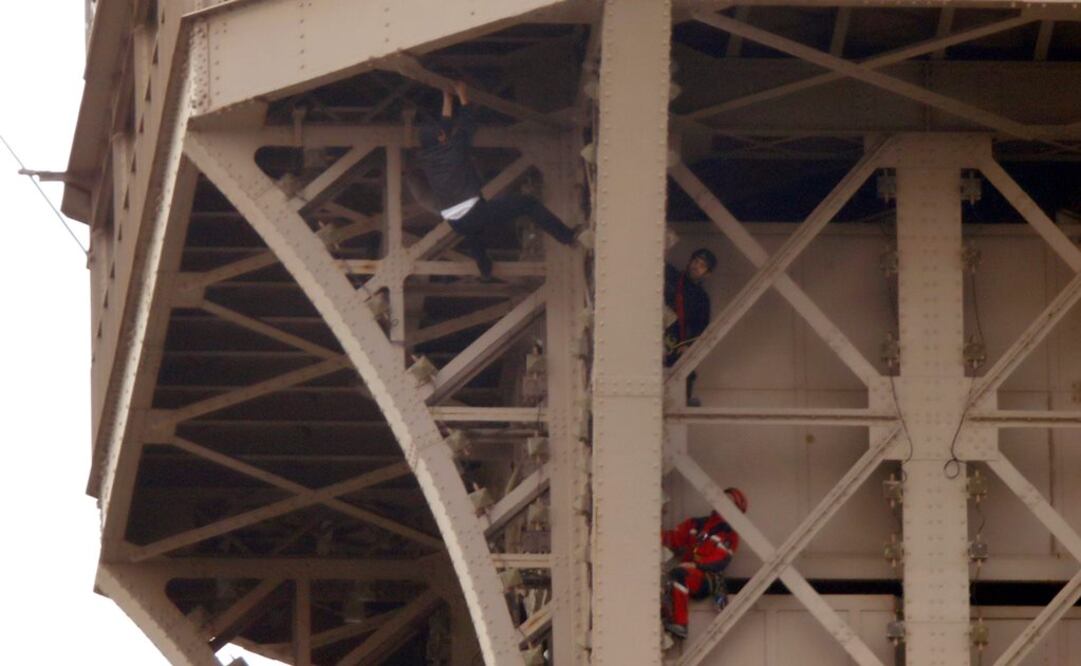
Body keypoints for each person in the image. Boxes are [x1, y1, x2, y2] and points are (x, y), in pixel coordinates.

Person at [415, 80, 580, 279]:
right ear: (441, 138)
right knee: (528, 204)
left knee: (473, 232)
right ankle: (568, 236)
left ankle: (485, 268)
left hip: (454, 221)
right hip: (473, 211)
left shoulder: (427, 158)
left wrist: (447, 97)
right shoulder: (455, 149)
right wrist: (463, 96)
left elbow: (445, 128)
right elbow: (468, 123)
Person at [661, 487, 747, 640]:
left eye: (728, 501)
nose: (721, 502)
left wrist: (696, 566)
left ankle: (680, 624)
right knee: (673, 578)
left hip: (706, 578)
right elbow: (673, 538)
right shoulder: (696, 524)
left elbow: (720, 561)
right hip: (689, 572)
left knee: (679, 575)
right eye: (721, 498)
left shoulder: (729, 534)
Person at [664, 248, 717, 405]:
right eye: (695, 262)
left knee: (683, 379)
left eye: (702, 266)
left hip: (676, 346)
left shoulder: (702, 299)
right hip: (655, 336)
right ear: (689, 262)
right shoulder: (671, 276)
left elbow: (701, 328)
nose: (696, 266)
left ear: (707, 274)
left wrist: (688, 346)